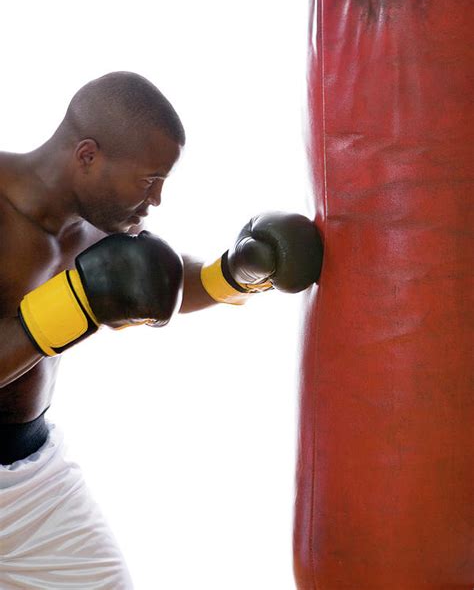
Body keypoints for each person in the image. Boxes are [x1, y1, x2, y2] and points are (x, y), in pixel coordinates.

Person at [0, 71, 322, 589]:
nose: (156, 200)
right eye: (149, 180)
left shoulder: (96, 224)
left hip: (30, 472)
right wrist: (76, 304)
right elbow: (92, 296)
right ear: (88, 156)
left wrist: (234, 272)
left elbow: (155, 280)